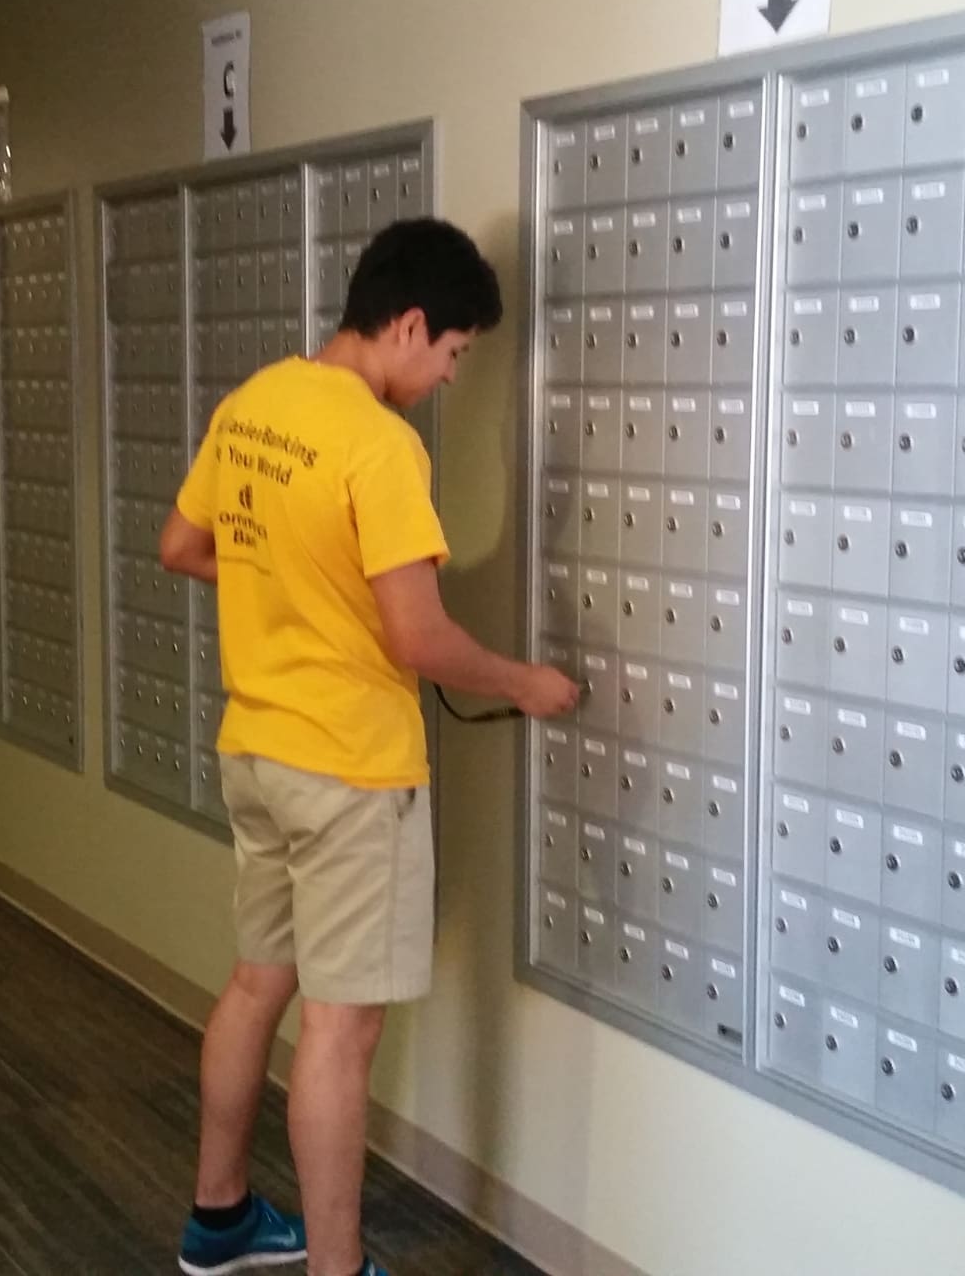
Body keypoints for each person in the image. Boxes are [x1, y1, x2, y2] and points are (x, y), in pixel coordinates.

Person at [159, 217, 581, 1276]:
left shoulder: (255, 402)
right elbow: (418, 638)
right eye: (453, 352)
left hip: (257, 752)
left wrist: (297, 586)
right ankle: (337, 1267)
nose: (448, 377)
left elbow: (184, 545)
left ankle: (219, 1217)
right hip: (349, 772)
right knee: (340, 1035)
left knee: (255, 986)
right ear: (408, 323)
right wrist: (524, 683)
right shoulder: (379, 444)